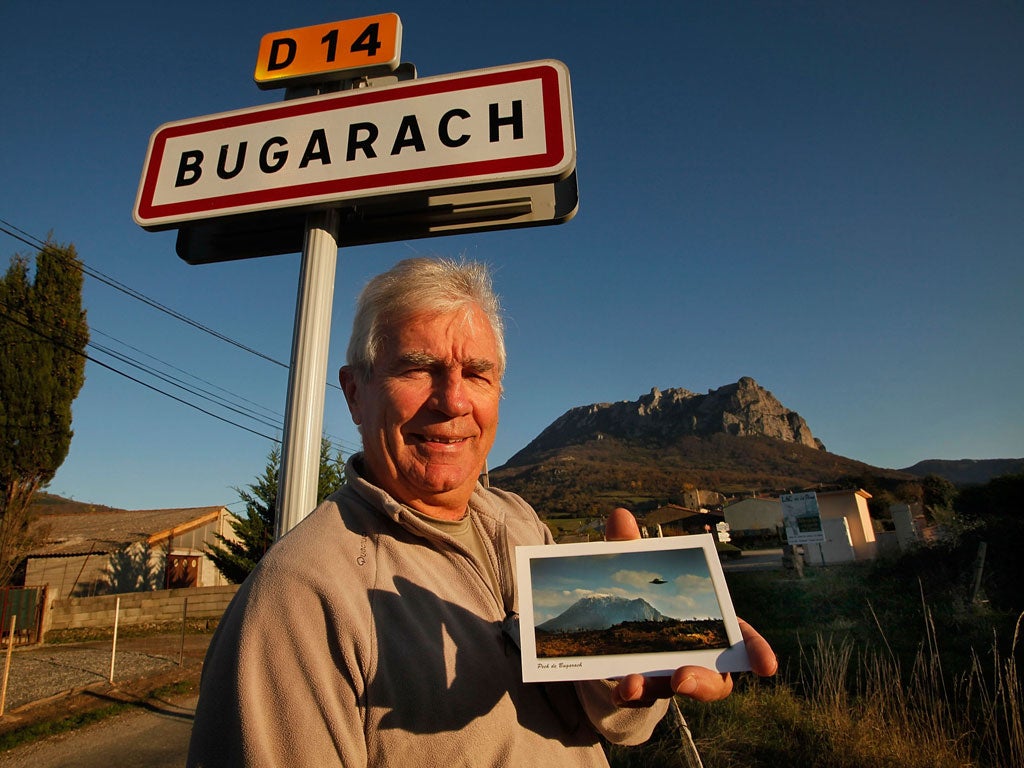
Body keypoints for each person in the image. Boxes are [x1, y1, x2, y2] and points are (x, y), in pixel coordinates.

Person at [187, 257, 777, 767]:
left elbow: (607, 724)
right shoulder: (301, 596)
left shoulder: (520, 522)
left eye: (477, 373)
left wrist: (640, 682)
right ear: (355, 393)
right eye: (417, 368)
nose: (453, 401)